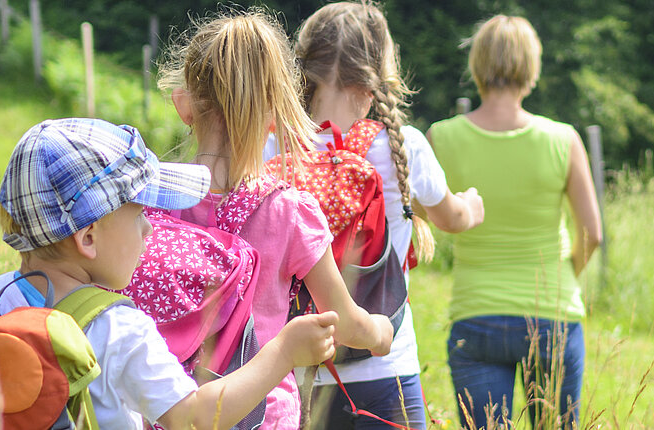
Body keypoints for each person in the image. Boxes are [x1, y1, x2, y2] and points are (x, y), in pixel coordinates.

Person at [0, 118, 343, 430]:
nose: (152, 228)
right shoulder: (117, 328)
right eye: (138, 215)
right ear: (87, 239)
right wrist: (283, 351)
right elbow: (194, 419)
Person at [159, 9, 396, 429]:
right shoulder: (289, 212)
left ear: (184, 104)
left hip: (169, 408)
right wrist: (379, 331)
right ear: (275, 114)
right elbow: (343, 322)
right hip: (262, 415)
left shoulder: (151, 201)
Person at [276, 2, 486, 428]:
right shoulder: (401, 146)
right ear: (377, 76)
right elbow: (450, 217)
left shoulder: (273, 146)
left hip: (297, 373)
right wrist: (472, 207)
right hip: (385, 366)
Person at [427, 15, 602, 430]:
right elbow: (592, 233)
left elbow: (416, 221)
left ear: (477, 65)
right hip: (552, 314)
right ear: (532, 66)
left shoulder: (441, 137)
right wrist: (567, 273)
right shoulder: (564, 140)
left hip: (477, 315)